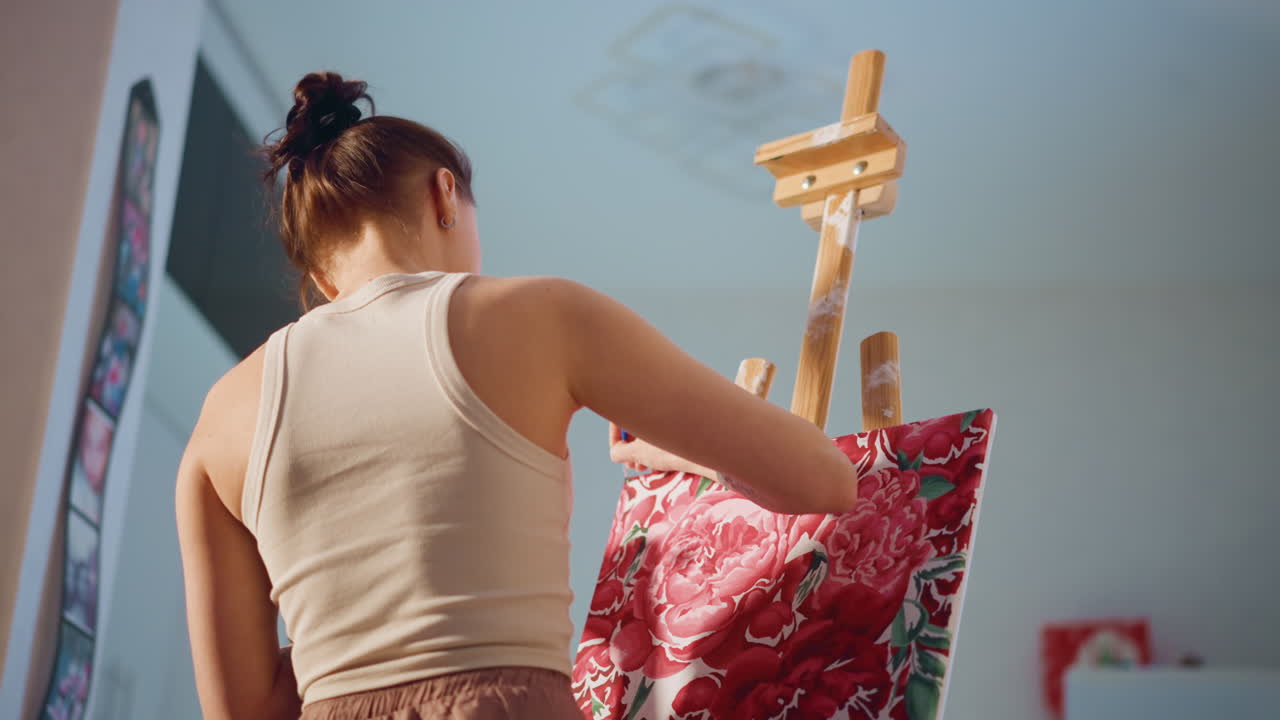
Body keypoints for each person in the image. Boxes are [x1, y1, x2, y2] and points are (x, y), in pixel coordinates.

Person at [175, 72, 859, 720]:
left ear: (324, 280)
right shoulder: (540, 315)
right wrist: (681, 451)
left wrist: (355, 646)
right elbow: (822, 477)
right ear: (446, 194)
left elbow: (244, 710)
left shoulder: (223, 414)